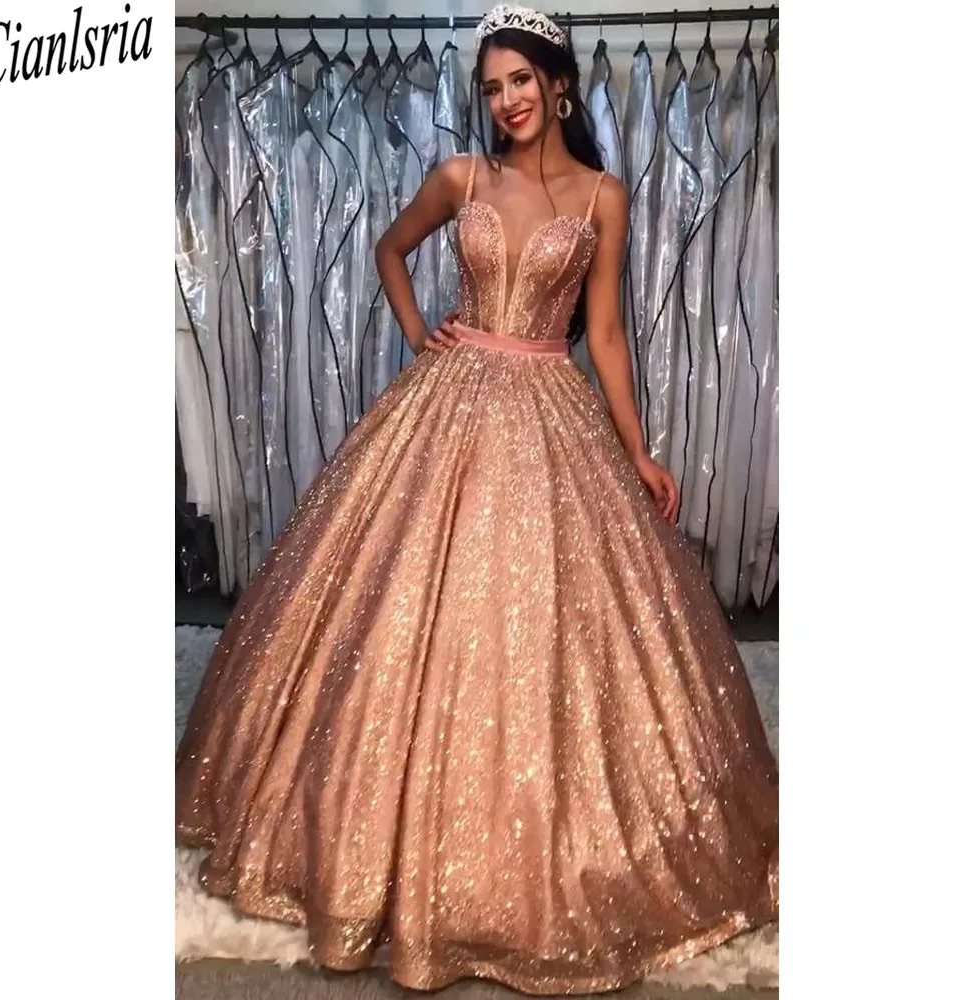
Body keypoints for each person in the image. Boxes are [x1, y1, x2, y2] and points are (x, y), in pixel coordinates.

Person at [176, 6, 778, 995]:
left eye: (520, 81)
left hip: (550, 402)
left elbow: (605, 336)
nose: (506, 101)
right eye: (492, 87)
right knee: (392, 601)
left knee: (552, 620)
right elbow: (388, 249)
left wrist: (637, 450)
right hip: (447, 399)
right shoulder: (461, 178)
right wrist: (422, 330)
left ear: (558, 84)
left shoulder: (603, 196)